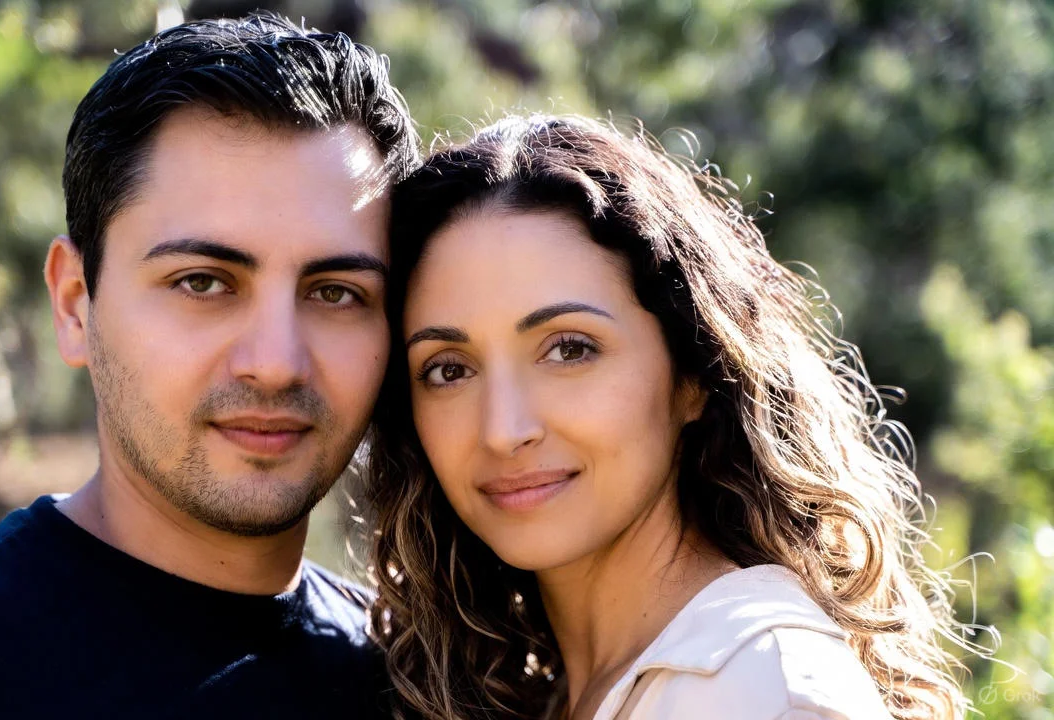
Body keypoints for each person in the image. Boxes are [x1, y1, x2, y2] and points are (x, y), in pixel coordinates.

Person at [0, 13, 419, 718]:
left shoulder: (422, 687)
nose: (275, 364)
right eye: (202, 282)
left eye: (336, 293)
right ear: (76, 304)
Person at [364, 115, 970, 720]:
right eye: (449, 369)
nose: (503, 428)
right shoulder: (559, 693)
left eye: (569, 349)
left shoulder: (765, 691)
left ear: (694, 375)